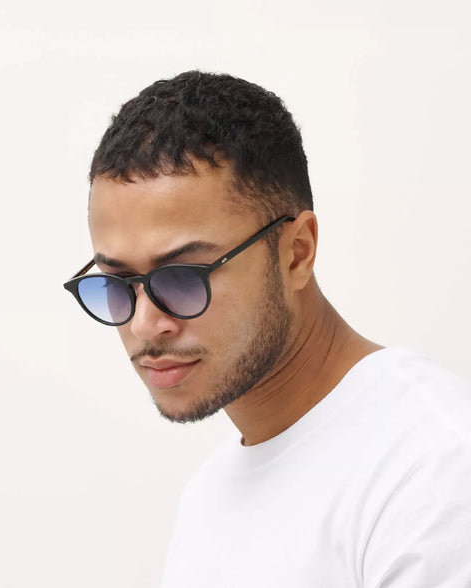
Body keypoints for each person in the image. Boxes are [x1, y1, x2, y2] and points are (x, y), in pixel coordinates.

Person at [64, 71, 471, 587]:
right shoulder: (209, 496)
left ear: (297, 252)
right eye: (118, 282)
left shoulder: (435, 470)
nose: (145, 324)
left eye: (184, 277)